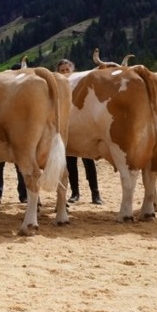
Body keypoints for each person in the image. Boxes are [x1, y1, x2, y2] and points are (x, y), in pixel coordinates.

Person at [57, 58, 102, 204]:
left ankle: (95, 194)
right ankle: (75, 193)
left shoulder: (80, 85)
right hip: (67, 128)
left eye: (67, 70)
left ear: (72, 70)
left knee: (89, 162)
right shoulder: (58, 87)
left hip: (83, 128)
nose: (65, 73)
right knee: (70, 163)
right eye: (62, 70)